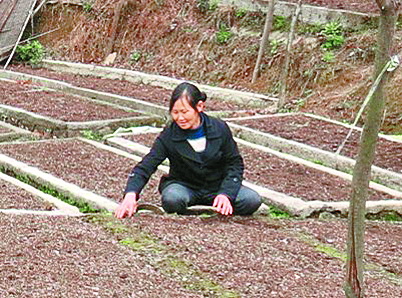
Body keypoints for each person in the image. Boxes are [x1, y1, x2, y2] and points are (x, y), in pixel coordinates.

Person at [114, 82, 262, 218]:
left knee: (251, 200)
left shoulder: (219, 128)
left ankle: (219, 204)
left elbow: (234, 163)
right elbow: (147, 165)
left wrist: (225, 194)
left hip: (217, 186)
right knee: (172, 199)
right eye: (175, 112)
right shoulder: (169, 135)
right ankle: (201, 207)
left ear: (199, 107)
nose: (180, 118)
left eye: (184, 112)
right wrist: (131, 194)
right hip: (185, 186)